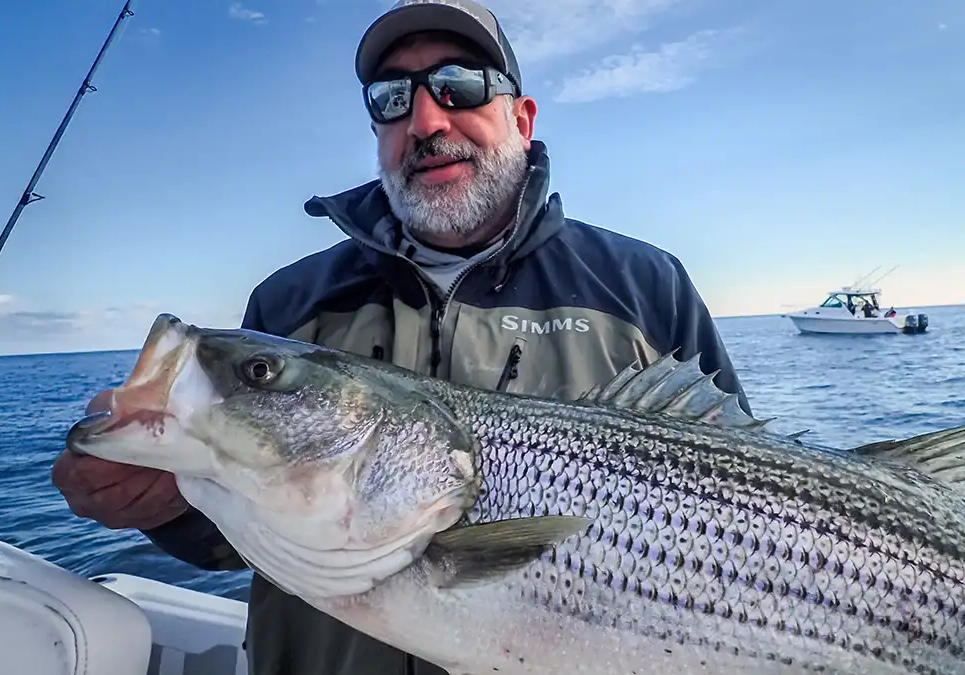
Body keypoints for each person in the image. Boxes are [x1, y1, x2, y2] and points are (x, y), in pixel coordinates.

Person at [50, 0, 752, 673]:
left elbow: (749, 502)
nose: (423, 120)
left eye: (459, 86)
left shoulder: (642, 284)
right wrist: (167, 502)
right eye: (391, 97)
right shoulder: (292, 300)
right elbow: (255, 532)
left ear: (522, 116)